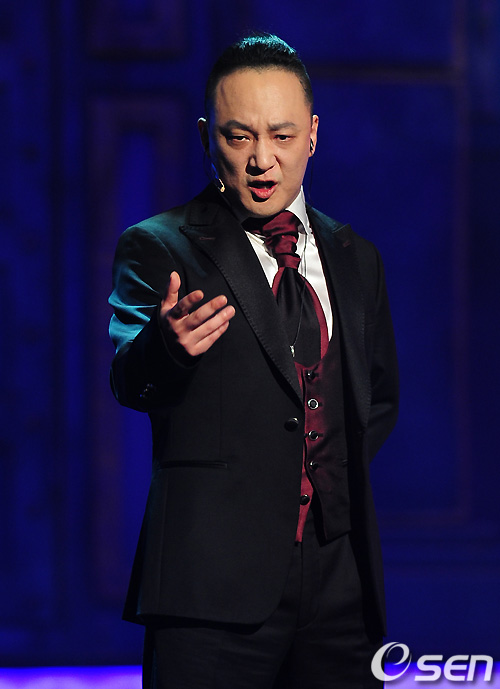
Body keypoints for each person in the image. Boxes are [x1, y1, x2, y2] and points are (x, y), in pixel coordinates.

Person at [109, 32, 399, 689]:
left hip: (341, 580)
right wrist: (166, 349)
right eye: (239, 137)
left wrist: (324, 478)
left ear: (313, 135)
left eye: (282, 135)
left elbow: (378, 396)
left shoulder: (356, 257)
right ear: (207, 137)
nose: (261, 160)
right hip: (209, 585)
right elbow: (128, 379)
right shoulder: (159, 247)